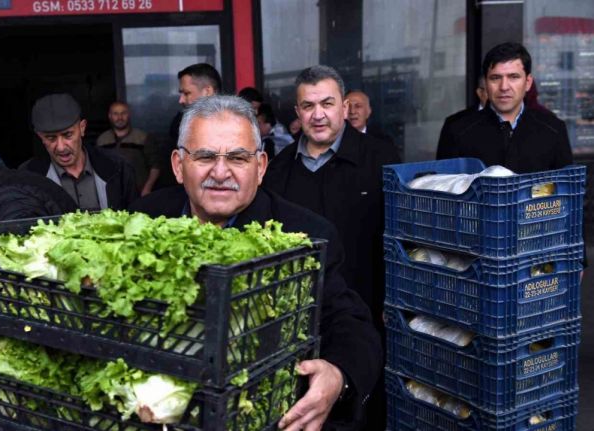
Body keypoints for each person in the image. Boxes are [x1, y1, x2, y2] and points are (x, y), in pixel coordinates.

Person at [130, 95, 382, 431]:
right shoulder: (140, 222)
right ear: (178, 165)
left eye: (238, 157)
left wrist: (338, 375)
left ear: (261, 166)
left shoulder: (305, 235)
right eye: (205, 156)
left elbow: (349, 322)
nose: (220, 172)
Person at [264, 66, 399, 430]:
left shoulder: (381, 159)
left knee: (368, 406)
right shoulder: (277, 172)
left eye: (327, 103)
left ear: (344, 106)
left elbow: (399, 238)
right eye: (308, 106)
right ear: (297, 114)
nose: (318, 114)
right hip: (300, 321)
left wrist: (393, 301)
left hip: (370, 312)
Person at [436, 42, 572, 172]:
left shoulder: (554, 129)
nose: (504, 87)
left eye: (513, 77)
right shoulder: (456, 130)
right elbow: (443, 189)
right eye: (495, 78)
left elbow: (567, 191)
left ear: (528, 82)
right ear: (486, 83)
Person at [20, 93, 138, 211]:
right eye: (51, 138)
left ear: (82, 128)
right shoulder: (27, 177)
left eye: (68, 135)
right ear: (40, 136)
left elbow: (135, 219)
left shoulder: (119, 168)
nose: (61, 147)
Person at [158, 63, 223, 189]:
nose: (181, 100)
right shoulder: (179, 123)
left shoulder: (238, 124)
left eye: (187, 93)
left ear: (208, 91)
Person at [96, 101, 160, 196]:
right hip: (112, 193)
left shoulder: (143, 138)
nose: (120, 117)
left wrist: (147, 188)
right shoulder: (102, 140)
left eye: (123, 113)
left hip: (139, 192)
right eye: (115, 114)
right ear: (110, 116)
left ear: (129, 114)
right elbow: (98, 168)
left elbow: (155, 167)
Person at [345, 90, 400, 160]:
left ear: (368, 111)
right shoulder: (334, 141)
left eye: (358, 106)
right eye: (348, 107)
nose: (352, 111)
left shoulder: (384, 141)